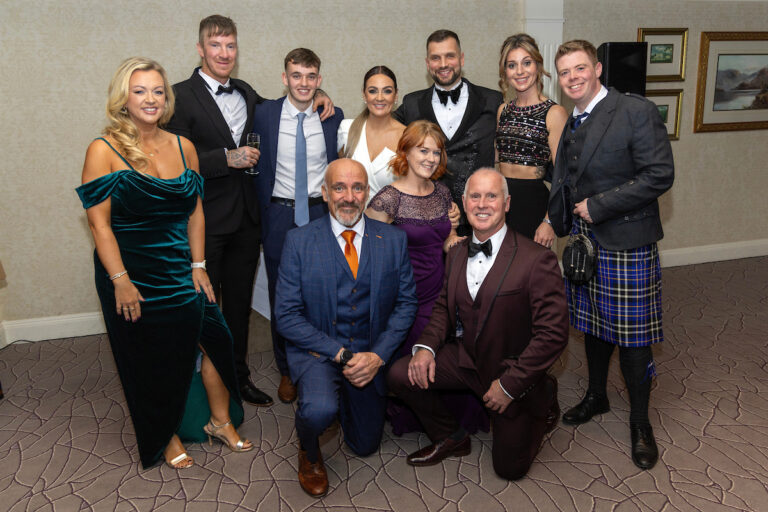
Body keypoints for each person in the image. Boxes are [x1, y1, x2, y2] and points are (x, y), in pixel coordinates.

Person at [76, 57, 252, 469]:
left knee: (218, 339)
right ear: (123, 98)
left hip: (180, 267)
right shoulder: (103, 150)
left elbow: (195, 212)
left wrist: (199, 265)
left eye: (158, 90)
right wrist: (119, 280)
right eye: (139, 91)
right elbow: (99, 225)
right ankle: (165, 433)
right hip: (130, 271)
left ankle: (220, 421)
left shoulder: (182, 146)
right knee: (151, 355)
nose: (150, 99)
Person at [166, 16, 334, 407]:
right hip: (204, 220)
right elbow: (176, 160)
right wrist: (227, 157)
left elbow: (295, 101)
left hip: (248, 221)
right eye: (216, 46)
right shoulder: (180, 96)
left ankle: (236, 379)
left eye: (230, 46)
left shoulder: (247, 94)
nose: (224, 54)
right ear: (200, 49)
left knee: (239, 306)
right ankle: (195, 386)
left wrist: (321, 96)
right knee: (202, 305)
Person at [387, 168, 569, 480]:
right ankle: (451, 436)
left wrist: (511, 386)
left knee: (509, 470)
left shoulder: (537, 259)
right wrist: (426, 348)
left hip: (508, 370)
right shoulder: (457, 252)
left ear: (507, 203)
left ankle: (543, 396)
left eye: (491, 196)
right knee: (399, 374)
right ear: (464, 201)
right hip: (465, 359)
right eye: (475, 196)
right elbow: (444, 306)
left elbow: (553, 335)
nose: (482, 204)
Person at [549, 40, 674, 470]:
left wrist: (599, 206)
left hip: (626, 242)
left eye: (580, 69)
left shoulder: (634, 111)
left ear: (597, 68)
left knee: (635, 340)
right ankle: (597, 396)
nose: (573, 78)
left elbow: (660, 174)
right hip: (585, 242)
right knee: (595, 327)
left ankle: (641, 422)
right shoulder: (572, 119)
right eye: (565, 73)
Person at [274, 158, 418, 497]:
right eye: (339, 187)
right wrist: (338, 353)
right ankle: (309, 447)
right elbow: (286, 315)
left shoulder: (393, 240)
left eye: (357, 188)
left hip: (368, 354)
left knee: (364, 445)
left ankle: (345, 407)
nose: (348, 197)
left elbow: (406, 303)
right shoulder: (298, 242)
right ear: (325, 193)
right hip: (320, 353)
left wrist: (378, 356)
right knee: (319, 410)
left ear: (367, 192)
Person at [366, 120, 487, 436]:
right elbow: (369, 255)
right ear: (405, 150)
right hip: (408, 292)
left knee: (449, 352)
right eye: (423, 150)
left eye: (436, 151)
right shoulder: (387, 199)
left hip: (443, 286)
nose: (431, 158)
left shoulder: (443, 192)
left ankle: (449, 413)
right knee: (417, 354)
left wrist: (469, 239)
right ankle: (422, 413)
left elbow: (447, 242)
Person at [252, 48, 344, 405]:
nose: (303, 83)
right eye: (296, 75)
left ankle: (323, 364)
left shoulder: (334, 118)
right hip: (279, 216)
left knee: (324, 293)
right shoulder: (263, 114)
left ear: (319, 80)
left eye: (310, 77)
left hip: (322, 215)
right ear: (284, 77)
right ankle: (287, 370)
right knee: (283, 297)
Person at [394, 30, 502, 235]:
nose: (443, 64)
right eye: (436, 58)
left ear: (461, 58)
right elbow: (378, 122)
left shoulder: (492, 100)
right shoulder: (412, 104)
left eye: (450, 56)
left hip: (480, 220)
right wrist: (319, 97)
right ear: (427, 63)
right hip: (426, 222)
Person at [495, 33, 568, 246]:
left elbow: (563, 176)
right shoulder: (503, 111)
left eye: (526, 63)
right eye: (512, 65)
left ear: (538, 65)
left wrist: (549, 220)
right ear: (505, 71)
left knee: (532, 273)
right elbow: (497, 163)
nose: (519, 71)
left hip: (534, 205)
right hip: (502, 203)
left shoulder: (554, 112)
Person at [337, 65, 404, 200]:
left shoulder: (407, 136)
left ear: (396, 95)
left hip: (390, 219)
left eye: (387, 91)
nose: (379, 98)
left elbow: (418, 187)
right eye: (373, 91)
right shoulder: (347, 129)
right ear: (364, 94)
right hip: (351, 217)